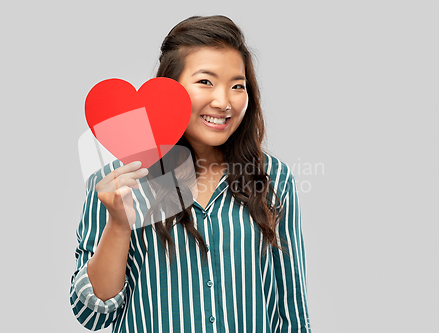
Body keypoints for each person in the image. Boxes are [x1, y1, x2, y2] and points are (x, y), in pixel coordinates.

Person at [70, 15, 311, 332]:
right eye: (205, 82)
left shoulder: (273, 178)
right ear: (169, 90)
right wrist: (118, 224)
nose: (223, 102)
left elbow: (291, 307)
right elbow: (93, 313)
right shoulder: (117, 181)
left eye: (237, 86)